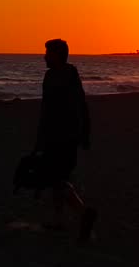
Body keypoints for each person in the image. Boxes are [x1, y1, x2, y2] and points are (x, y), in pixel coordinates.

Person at [34, 38, 97, 241]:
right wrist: (84, 133)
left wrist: (41, 138)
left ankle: (82, 212)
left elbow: (49, 111)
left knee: (57, 179)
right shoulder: (69, 75)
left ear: (57, 55)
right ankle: (59, 219)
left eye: (48, 53)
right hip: (67, 136)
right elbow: (82, 105)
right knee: (59, 178)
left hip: (59, 137)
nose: (44, 57)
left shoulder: (56, 77)